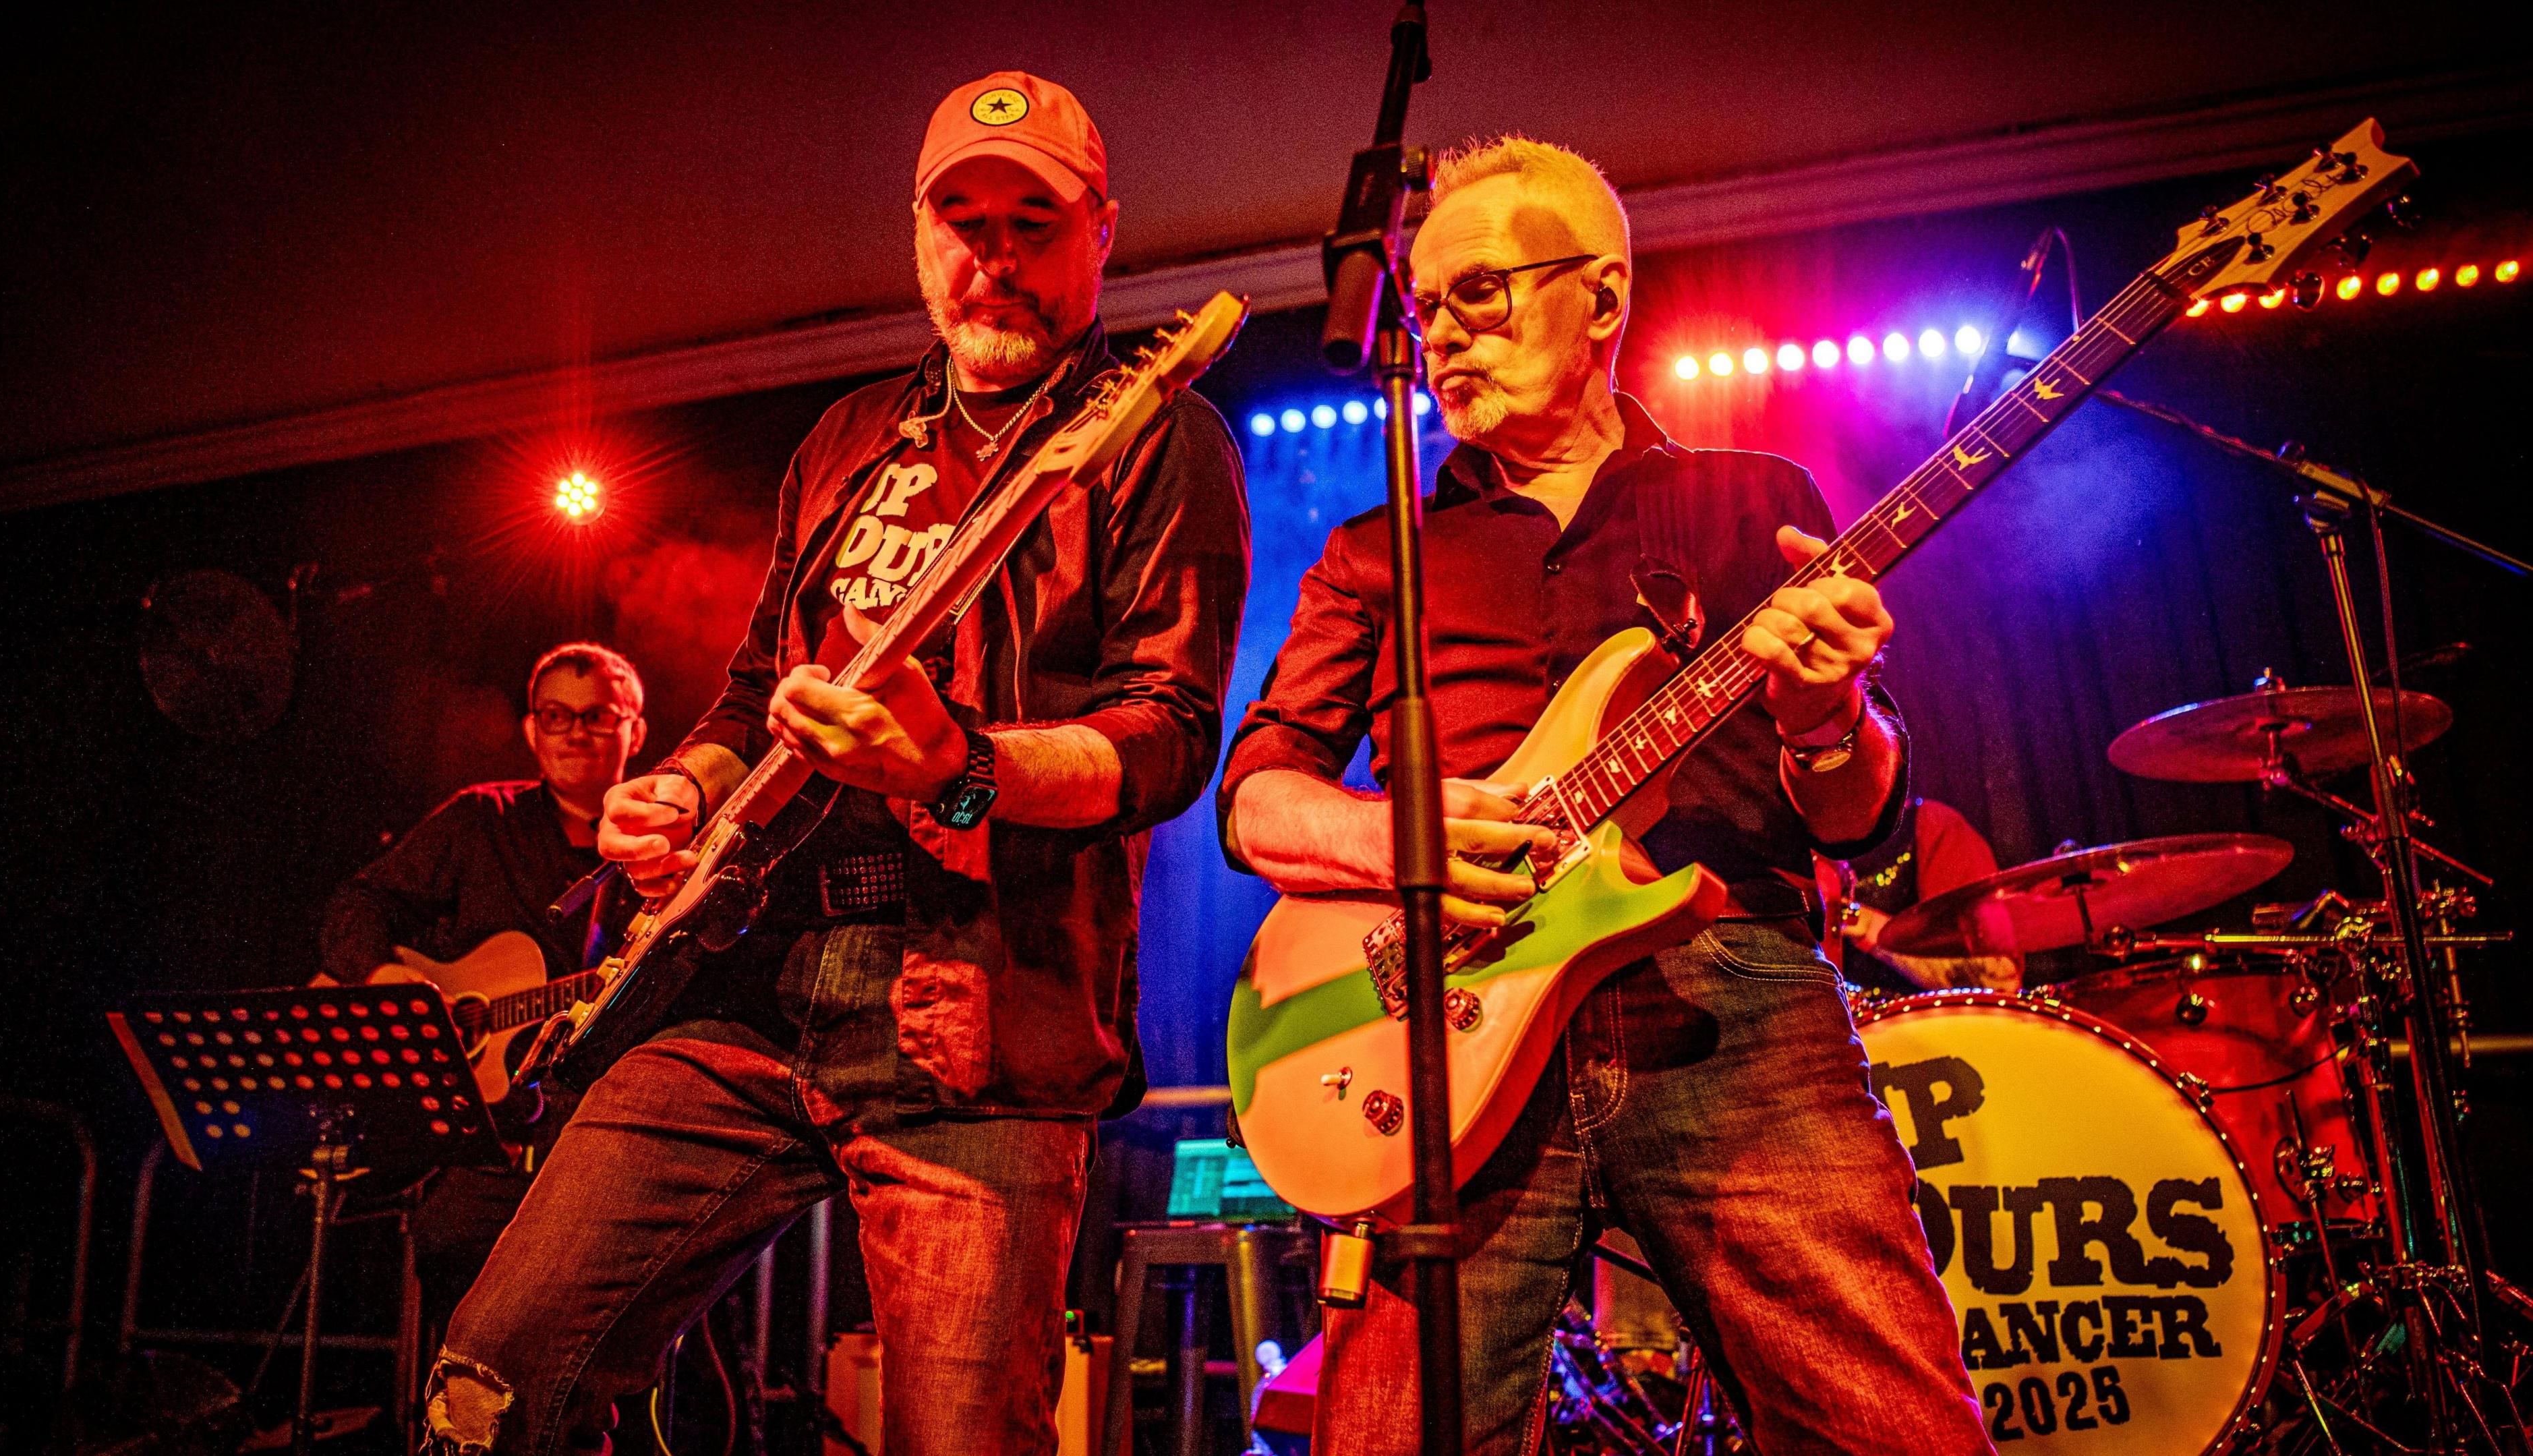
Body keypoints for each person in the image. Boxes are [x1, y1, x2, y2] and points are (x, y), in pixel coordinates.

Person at [423, 71, 1249, 1456]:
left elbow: (1165, 738)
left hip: (976, 1013)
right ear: (918, 235)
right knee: (492, 1383)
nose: (993, 258)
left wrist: (958, 764)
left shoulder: (1154, 436)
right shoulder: (849, 440)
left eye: (1032, 224)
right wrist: (685, 784)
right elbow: (758, 687)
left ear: (1102, 232)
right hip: (738, 984)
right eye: (961, 220)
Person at [1218, 138, 1989, 1454]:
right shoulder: (1379, 546)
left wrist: (1823, 713)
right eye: (1425, 306)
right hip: (1450, 1028)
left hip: (1728, 989)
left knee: (1891, 1424)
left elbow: (1862, 822)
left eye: (1481, 293)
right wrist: (1392, 831)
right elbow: (1255, 797)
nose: (1444, 335)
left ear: (1605, 301)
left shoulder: (1754, 501)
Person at [320, 641, 645, 1308]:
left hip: (607, 1127)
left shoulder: (664, 844)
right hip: (491, 1137)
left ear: (634, 730)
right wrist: (387, 979)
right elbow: (356, 907)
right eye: (556, 715)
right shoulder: (481, 820)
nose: (576, 731)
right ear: (532, 729)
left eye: (598, 715)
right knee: (449, 1240)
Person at [1822, 794, 2026, 992]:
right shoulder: (1802, 856)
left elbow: (1999, 979)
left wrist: (1868, 926)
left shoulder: (1932, 825)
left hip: (1926, 1022)